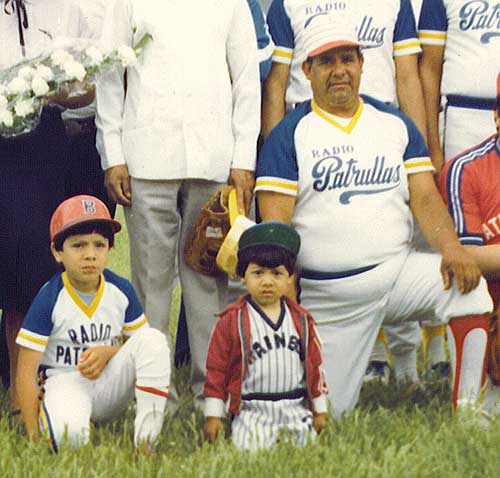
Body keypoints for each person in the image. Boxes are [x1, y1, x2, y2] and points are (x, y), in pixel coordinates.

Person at [254, 14, 493, 417]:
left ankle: (471, 413)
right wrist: (286, 294)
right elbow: (277, 227)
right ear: (307, 69)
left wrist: (452, 248)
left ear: (363, 64)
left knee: (470, 290)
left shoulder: (394, 123)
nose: (340, 71)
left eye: (348, 59)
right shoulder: (289, 134)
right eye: (327, 62)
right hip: (331, 296)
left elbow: (425, 199)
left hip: (396, 274)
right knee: (325, 413)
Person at [95, 0, 261, 408]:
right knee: (150, 283)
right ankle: (154, 394)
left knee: (207, 279)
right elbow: (110, 74)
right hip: (147, 157)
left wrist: (243, 158)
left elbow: (246, 78)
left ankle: (212, 392)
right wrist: (112, 151)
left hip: (212, 158)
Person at [262, 0, 427, 383]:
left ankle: (405, 366)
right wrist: (274, 148)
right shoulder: (289, 4)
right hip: (310, 126)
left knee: (396, 242)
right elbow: (277, 82)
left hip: (382, 125)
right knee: (330, 245)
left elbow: (407, 76)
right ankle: (354, 355)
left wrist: (419, 143)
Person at [0, 0, 100, 413]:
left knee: (29, 270)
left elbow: (90, 88)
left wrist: (54, 92)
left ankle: (28, 392)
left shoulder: (67, 8)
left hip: (41, 147)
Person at [15, 195, 170, 452]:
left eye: (99, 244)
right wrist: (33, 436)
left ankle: (146, 442)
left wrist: (109, 353)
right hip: (65, 381)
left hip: (108, 382)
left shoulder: (121, 290)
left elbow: (140, 349)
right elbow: (25, 369)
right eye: (78, 245)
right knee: (69, 439)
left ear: (109, 248)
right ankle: (68, 418)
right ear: (57, 251)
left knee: (154, 340)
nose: (90, 254)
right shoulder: (50, 297)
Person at [204, 222, 327, 450]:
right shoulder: (233, 320)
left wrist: (319, 409)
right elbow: (217, 369)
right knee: (248, 451)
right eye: (258, 273)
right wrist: (214, 414)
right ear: (242, 276)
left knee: (307, 452)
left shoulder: (301, 320)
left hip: (294, 405)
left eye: (277, 273)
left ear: (291, 277)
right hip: (252, 408)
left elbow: (315, 365)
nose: (267, 281)